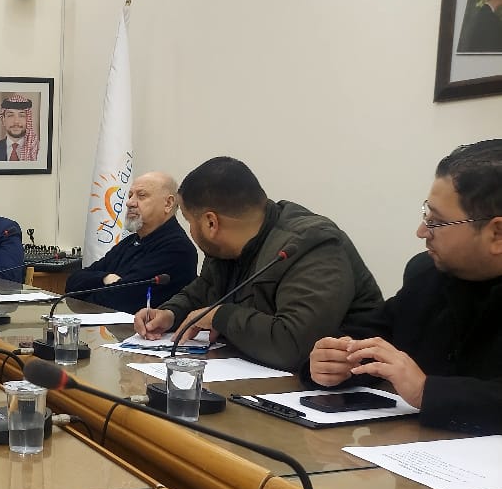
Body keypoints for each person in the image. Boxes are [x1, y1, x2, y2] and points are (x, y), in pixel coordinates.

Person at [308, 140, 502, 433]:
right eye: (426, 215)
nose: (421, 232)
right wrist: (332, 362)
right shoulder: (427, 275)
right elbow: (369, 339)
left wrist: (426, 391)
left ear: (497, 233)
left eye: (437, 222)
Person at [134, 156, 383, 370]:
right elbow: (203, 292)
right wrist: (170, 313)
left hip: (345, 393)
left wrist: (221, 316)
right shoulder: (225, 247)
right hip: (257, 376)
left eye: (190, 221)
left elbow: (293, 345)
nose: (190, 230)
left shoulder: (311, 245)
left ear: (211, 223)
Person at [64, 171, 197, 311]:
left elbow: (118, 301)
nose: (129, 202)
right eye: (130, 195)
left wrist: (88, 291)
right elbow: (73, 282)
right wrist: (105, 278)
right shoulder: (130, 242)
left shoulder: (176, 248)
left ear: (168, 203)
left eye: (141, 195)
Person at [0, 94, 40, 162]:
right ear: (3, 120)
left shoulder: (38, 150)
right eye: (10, 115)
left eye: (21, 116)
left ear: (28, 120)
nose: (16, 121)